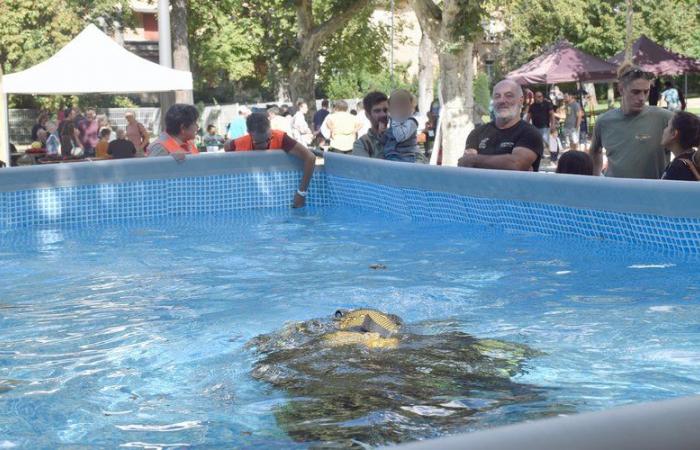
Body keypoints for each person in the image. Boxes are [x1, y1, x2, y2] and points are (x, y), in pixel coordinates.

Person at [589, 64, 673, 178]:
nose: (642, 98)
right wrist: (596, 178)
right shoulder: (604, 121)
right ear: (621, 89)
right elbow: (595, 151)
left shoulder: (665, 118)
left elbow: (692, 138)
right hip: (616, 192)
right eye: (636, 92)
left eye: (646, 92)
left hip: (654, 193)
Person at [226, 112, 316, 208]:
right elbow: (227, 146)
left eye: (268, 139)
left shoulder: (281, 138)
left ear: (270, 127)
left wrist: (301, 193)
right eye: (259, 142)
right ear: (249, 133)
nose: (265, 145)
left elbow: (310, 157)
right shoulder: (241, 142)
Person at [458, 79, 543, 171]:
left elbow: (517, 164)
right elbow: (466, 164)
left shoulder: (530, 133)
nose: (502, 101)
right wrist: (506, 161)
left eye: (509, 96)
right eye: (497, 96)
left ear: (521, 100)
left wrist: (475, 159)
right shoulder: (477, 133)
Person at [383, 89, 422, 163]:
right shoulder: (393, 122)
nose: (399, 108)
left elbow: (400, 136)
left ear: (411, 107)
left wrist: (394, 118)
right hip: (390, 156)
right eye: (396, 105)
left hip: (406, 157)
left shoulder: (411, 122)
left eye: (403, 104)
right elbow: (387, 139)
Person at [660, 111, 700, 181]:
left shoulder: (677, 168)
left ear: (674, 134)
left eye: (667, 126)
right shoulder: (693, 159)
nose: (664, 130)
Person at [352, 91, 389, 159]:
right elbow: (366, 168)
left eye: (385, 110)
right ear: (367, 115)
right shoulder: (362, 144)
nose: (383, 114)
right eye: (377, 111)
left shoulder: (398, 137)